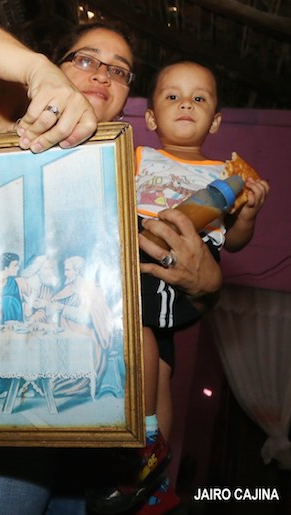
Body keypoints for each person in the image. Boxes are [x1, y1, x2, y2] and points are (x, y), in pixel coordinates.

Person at [0, 13, 225, 515]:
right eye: (85, 60)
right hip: (6, 418)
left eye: (118, 70)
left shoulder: (134, 178)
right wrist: (38, 74)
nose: (102, 74)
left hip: (102, 439)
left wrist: (207, 286)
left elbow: (160, 309)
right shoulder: (19, 126)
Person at [87, 60, 270, 514]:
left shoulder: (227, 176)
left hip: (181, 262)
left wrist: (247, 213)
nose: (185, 104)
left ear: (216, 121)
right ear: (150, 118)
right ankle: (155, 480)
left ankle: (144, 440)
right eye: (172, 96)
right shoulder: (136, 156)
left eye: (198, 98)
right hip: (135, 249)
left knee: (137, 328)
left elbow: (235, 242)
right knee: (162, 367)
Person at [50, 256, 112, 399]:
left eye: (68, 270)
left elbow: (87, 318)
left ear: (77, 271)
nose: (65, 274)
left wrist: (62, 308)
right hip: (67, 332)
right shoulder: (69, 288)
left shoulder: (92, 289)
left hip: (87, 334)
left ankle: (73, 384)